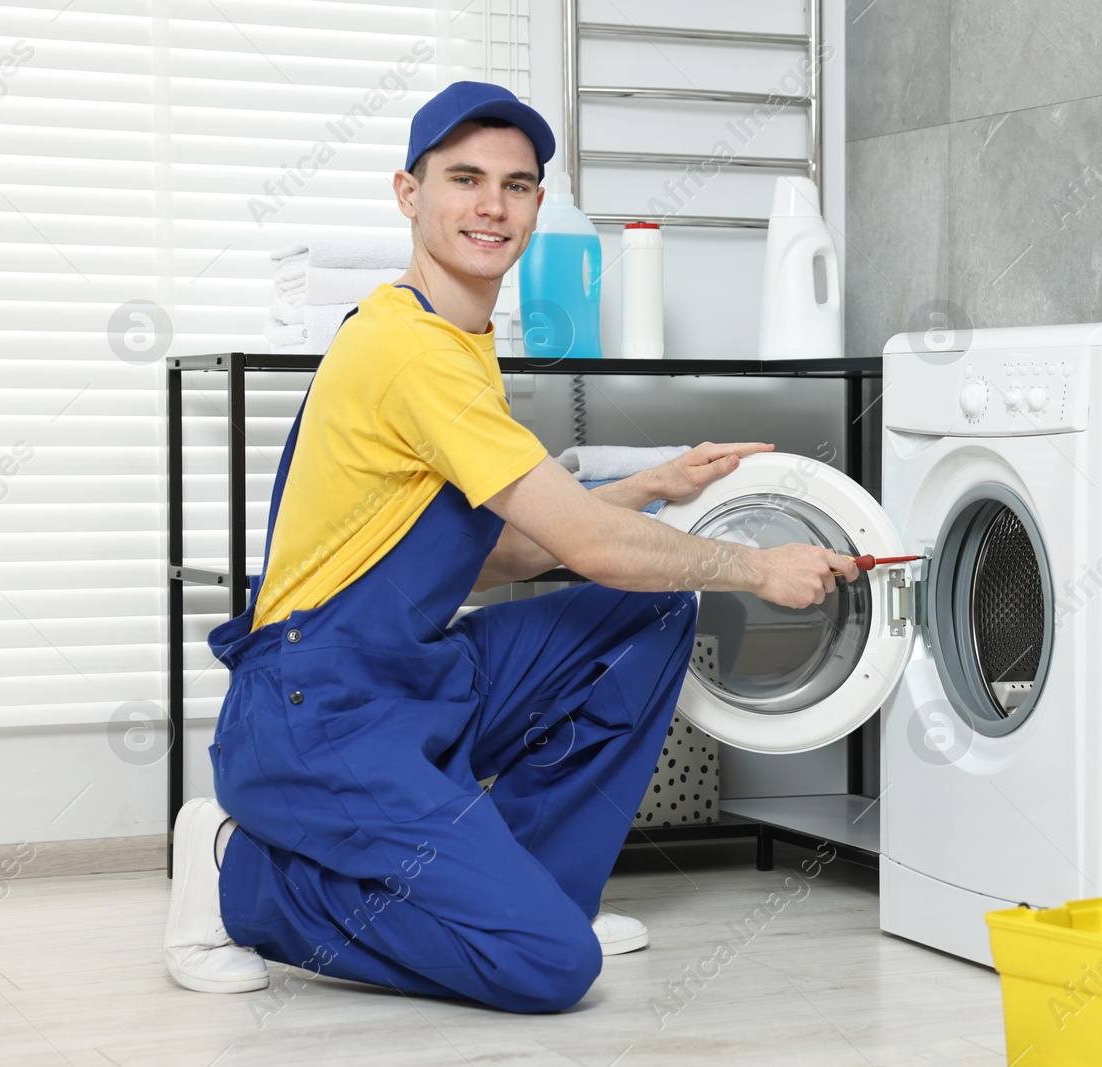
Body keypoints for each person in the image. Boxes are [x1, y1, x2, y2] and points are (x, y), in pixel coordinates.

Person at [161, 81, 858, 1013]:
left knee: (650, 613)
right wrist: (758, 568)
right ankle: (233, 873)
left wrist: (650, 485)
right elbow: (590, 546)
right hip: (315, 710)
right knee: (551, 969)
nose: (493, 205)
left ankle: (538, 889)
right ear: (409, 193)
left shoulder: (460, 336)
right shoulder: (413, 352)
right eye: (465, 179)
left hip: (409, 676)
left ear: (536, 204)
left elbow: (493, 558)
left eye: (517, 185)